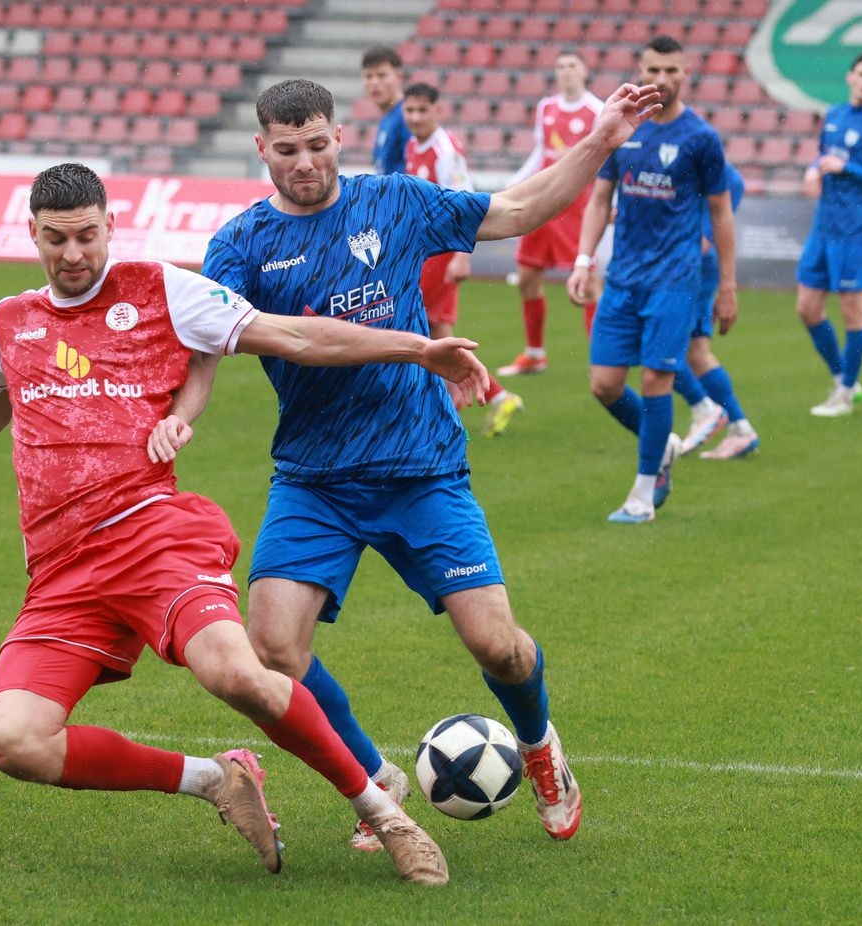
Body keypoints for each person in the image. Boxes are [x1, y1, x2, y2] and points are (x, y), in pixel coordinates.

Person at [0, 162, 493, 885]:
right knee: (16, 742)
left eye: (88, 236)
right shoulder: (11, 319)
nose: (74, 254)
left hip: (153, 536)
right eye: (56, 239)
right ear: (32, 233)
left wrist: (419, 350)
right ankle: (217, 781)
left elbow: (295, 337)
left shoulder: (160, 289)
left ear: (110, 225)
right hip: (62, 568)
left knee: (238, 673)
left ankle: (386, 816)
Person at [199, 78, 661, 851]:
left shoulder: (396, 202)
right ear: (262, 150)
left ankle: (542, 747)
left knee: (500, 647)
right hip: (314, 479)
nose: (305, 162)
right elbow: (219, 338)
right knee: (274, 648)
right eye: (287, 150)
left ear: (340, 137)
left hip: (421, 468)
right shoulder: (240, 246)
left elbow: (513, 210)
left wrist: (599, 141)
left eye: (317, 145)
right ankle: (377, 778)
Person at [566, 35, 735, 523]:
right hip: (623, 278)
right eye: (654, 70)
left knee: (658, 379)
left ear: (685, 74)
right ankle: (661, 447)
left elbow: (721, 214)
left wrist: (726, 285)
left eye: (672, 71)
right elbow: (600, 199)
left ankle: (642, 497)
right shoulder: (624, 127)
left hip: (675, 279)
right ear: (640, 69)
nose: (661, 80)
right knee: (604, 385)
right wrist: (583, 260)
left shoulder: (700, 138)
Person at [402, 81, 524, 437]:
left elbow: (463, 202)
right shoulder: (413, 144)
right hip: (425, 249)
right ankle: (493, 396)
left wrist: (460, 256)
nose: (415, 117)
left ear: (437, 110)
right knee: (436, 331)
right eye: (410, 110)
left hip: (441, 253)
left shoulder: (445, 150)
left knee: (415, 326)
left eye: (422, 110)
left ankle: (443, 408)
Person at [795, 52, 862, 418]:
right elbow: (822, 156)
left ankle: (842, 394)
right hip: (824, 226)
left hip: (855, 229)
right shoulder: (834, 115)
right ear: (849, 77)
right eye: (861, 74)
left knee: (852, 311)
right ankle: (845, 379)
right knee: (807, 308)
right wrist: (813, 171)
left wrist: (847, 167)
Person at [499, 49, 605, 376]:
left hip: (576, 204)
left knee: (587, 282)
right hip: (544, 199)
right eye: (560, 66)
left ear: (585, 70)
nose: (566, 71)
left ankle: (603, 358)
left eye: (572, 65)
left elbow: (604, 160)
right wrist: (514, 183)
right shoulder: (546, 107)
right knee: (527, 275)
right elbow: (541, 152)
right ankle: (535, 353)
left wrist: (609, 201)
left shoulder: (596, 110)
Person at [676, 162, 761, 460]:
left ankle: (705, 409)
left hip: (688, 265)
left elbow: (732, 183)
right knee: (695, 351)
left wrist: (703, 235)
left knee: (657, 344)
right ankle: (740, 429)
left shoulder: (700, 151)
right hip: (689, 263)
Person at [361, 45, 410, 175]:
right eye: (368, 76)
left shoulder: (408, 117)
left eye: (381, 75)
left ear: (399, 77)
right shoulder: (388, 118)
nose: (374, 82)